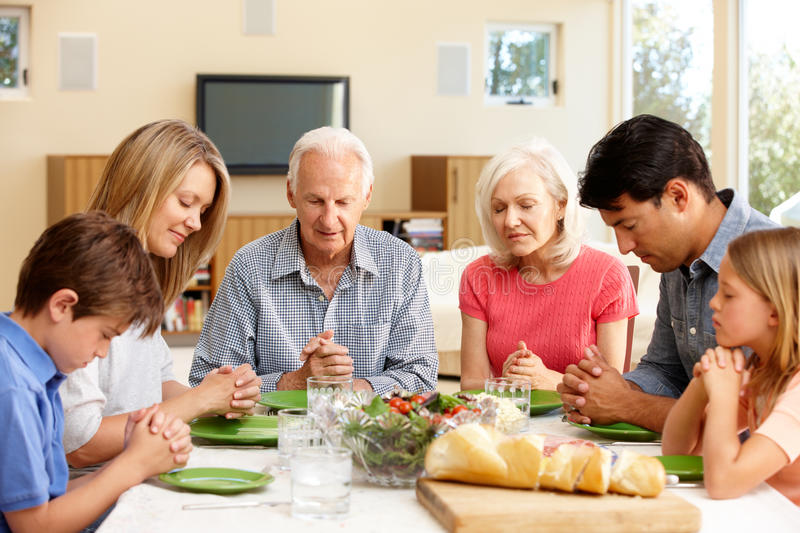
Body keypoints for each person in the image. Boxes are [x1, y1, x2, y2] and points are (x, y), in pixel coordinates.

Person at [60, 119, 262, 468]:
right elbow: (81, 443)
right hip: (94, 492)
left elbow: (157, 383)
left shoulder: (141, 279)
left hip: (139, 474)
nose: (196, 223)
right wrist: (197, 402)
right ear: (140, 187)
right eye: (186, 202)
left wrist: (219, 397)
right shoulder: (82, 278)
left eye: (203, 211)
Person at [558, 114, 777, 432]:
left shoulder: (777, 264)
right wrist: (605, 391)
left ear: (678, 197)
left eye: (629, 225)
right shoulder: (677, 260)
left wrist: (626, 404)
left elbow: (758, 419)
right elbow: (666, 370)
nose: (623, 246)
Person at [189, 126, 438, 393]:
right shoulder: (249, 266)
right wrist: (295, 382)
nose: (329, 220)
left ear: (367, 196)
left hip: (370, 432)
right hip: (274, 433)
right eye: (315, 201)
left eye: (343, 202)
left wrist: (351, 390)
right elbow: (208, 381)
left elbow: (421, 376)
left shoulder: (401, 263)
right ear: (291, 194)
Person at [0, 211, 193, 533]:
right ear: (62, 305)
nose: (102, 351)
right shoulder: (16, 389)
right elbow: (34, 527)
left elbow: (53, 503)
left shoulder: (33, 371)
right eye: (105, 334)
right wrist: (134, 465)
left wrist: (131, 458)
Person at [459, 138, 638, 391]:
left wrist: (550, 381)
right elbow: (470, 384)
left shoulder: (608, 275)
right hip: (509, 424)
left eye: (526, 205)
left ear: (560, 206)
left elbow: (613, 391)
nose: (510, 221)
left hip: (581, 427)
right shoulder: (478, 276)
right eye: (499, 209)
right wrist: (507, 382)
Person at [662, 228, 800, 504]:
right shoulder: (763, 373)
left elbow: (723, 482)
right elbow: (677, 451)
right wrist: (701, 385)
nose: (713, 303)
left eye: (728, 294)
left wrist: (723, 395)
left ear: (774, 311)